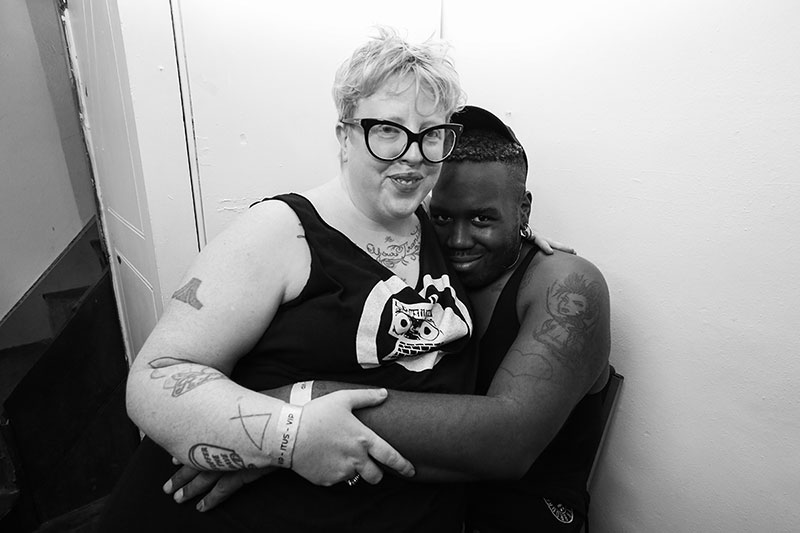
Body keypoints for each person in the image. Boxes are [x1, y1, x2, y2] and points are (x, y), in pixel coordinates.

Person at [98, 28, 480, 533]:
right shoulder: (280, 231)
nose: (413, 154)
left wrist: (527, 246)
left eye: (431, 134)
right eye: (388, 130)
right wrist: (289, 438)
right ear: (344, 136)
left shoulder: (435, 225)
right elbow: (153, 382)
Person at [163, 106, 611, 532]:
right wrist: (285, 441)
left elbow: (508, 443)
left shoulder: (570, 286)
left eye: (482, 218)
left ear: (523, 210)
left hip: (517, 510)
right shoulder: (428, 255)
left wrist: (301, 405)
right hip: (413, 490)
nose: (459, 239)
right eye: (443, 216)